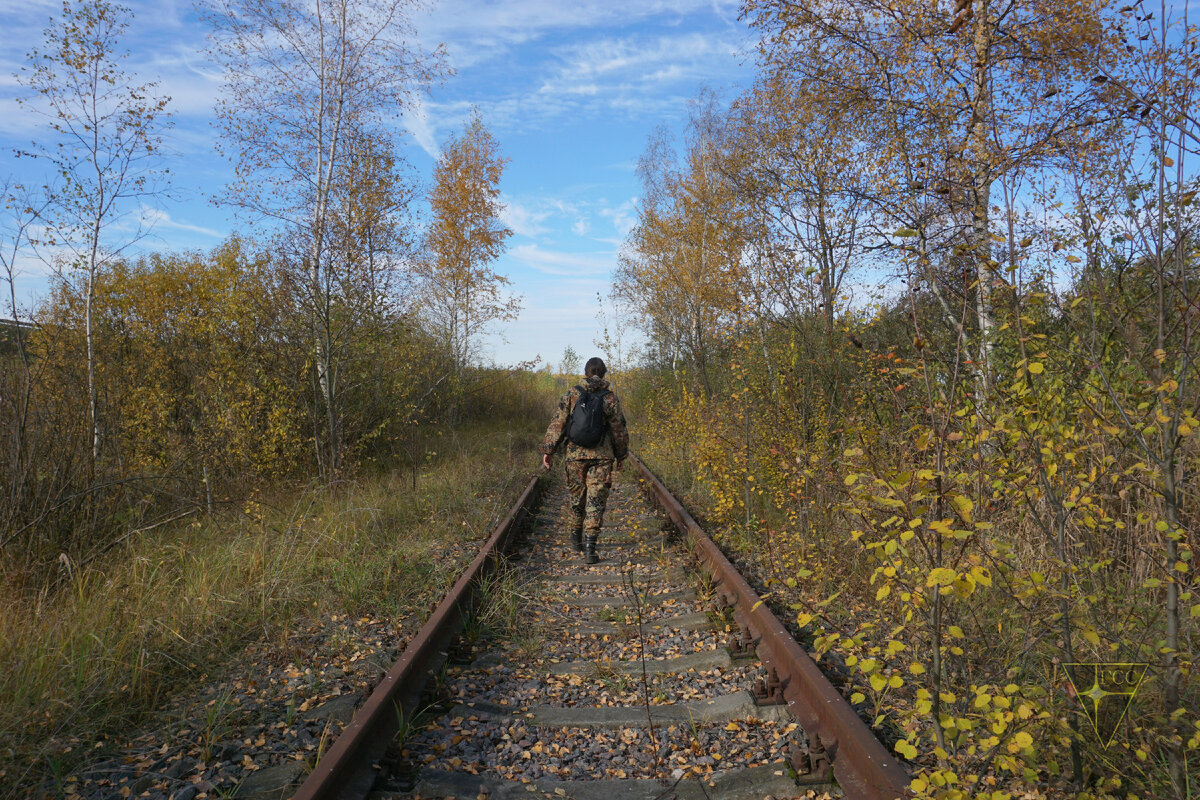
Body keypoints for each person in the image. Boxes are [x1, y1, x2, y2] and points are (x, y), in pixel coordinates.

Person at [540, 356, 629, 563]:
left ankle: (575, 541)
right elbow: (619, 429)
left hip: (574, 456)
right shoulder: (610, 398)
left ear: (586, 372)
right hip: (601, 457)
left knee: (576, 499)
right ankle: (590, 549)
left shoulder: (572, 393)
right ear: (604, 373)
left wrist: (549, 450)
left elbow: (558, 423)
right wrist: (621, 455)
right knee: (595, 502)